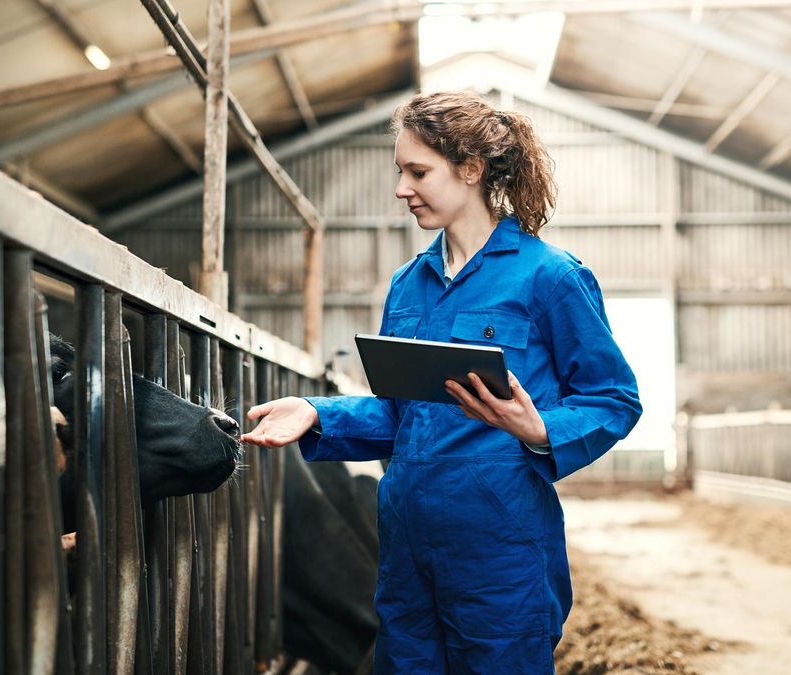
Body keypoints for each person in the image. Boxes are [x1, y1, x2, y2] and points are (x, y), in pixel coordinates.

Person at [240, 91, 641, 673]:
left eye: (418, 171)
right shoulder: (408, 285)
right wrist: (317, 412)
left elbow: (613, 399)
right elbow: (404, 418)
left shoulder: (549, 277)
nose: (402, 188)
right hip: (406, 545)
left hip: (499, 547)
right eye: (400, 171)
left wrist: (540, 428)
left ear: (472, 170)